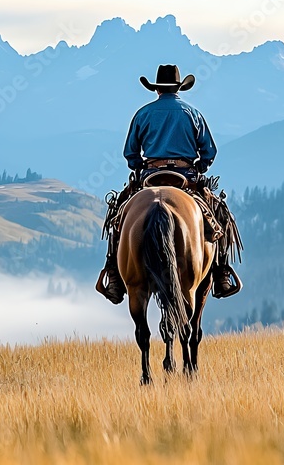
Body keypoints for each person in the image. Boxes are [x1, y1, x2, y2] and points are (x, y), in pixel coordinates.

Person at [97, 64, 241, 303]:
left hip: (150, 175)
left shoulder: (143, 114)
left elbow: (130, 153)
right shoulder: (193, 113)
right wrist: (200, 167)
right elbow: (209, 151)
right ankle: (221, 272)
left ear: (157, 89)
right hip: (186, 176)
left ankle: (113, 272)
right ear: (179, 88)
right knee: (220, 215)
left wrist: (139, 166)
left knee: (117, 216)